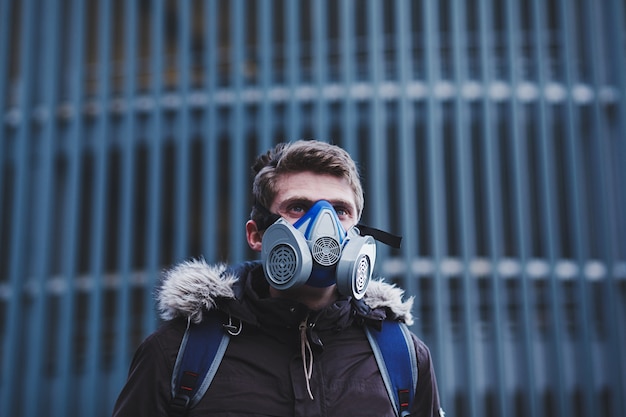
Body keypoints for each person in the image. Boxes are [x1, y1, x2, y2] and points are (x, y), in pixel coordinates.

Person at [112, 140, 444, 417]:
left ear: (357, 231)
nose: (323, 226)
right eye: (299, 207)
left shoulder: (402, 357)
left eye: (340, 211)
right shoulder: (180, 353)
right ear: (257, 235)